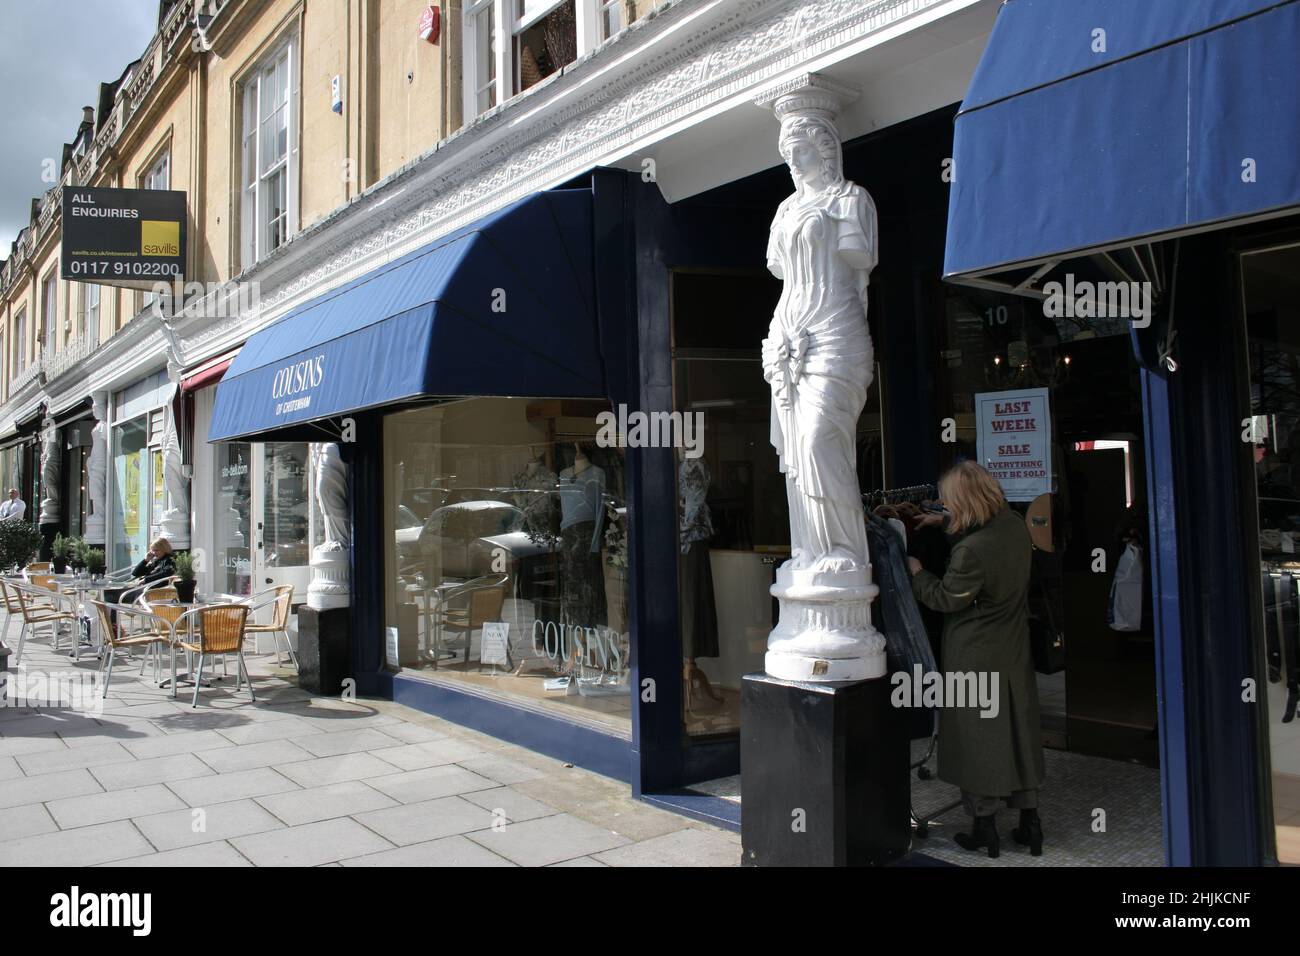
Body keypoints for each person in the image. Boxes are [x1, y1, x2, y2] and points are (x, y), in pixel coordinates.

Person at [908, 461, 1046, 858]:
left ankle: (984, 826)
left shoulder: (970, 551)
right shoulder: (1016, 525)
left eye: (951, 501)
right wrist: (945, 522)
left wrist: (917, 573)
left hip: (974, 653)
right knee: (1017, 730)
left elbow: (947, 598)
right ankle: (1029, 822)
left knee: (978, 737)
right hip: (1013, 647)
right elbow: (988, 550)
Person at [122, 538, 177, 604]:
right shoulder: (157, 560)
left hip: (153, 591)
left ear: (164, 549)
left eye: (156, 550)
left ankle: (127, 611)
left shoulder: (169, 560)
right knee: (113, 594)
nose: (154, 553)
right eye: (153, 550)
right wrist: (145, 560)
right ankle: (119, 612)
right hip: (145, 588)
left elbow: (166, 573)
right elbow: (136, 573)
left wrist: (146, 580)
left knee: (114, 595)